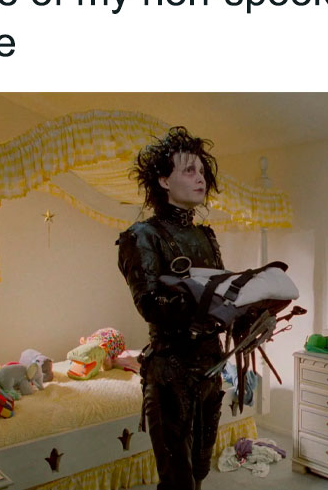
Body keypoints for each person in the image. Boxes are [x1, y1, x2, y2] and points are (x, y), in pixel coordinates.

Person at [116, 126, 224, 490]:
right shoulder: (141, 236)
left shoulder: (205, 235)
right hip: (170, 374)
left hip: (211, 369)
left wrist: (252, 312)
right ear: (164, 180)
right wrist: (206, 298)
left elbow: (221, 296)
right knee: (178, 482)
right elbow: (149, 304)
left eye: (202, 171)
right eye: (189, 170)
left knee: (200, 471)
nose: (200, 178)